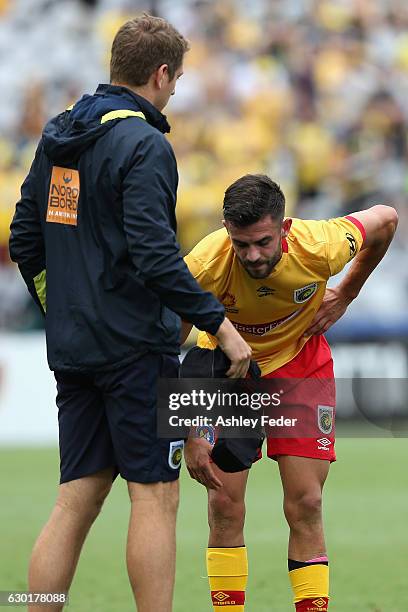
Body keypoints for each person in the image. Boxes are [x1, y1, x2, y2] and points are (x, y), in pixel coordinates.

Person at [9, 14, 251, 612]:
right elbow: (154, 255)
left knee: (76, 497)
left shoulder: (61, 135)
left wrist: (61, 306)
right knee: (155, 495)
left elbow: (24, 239)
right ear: (161, 74)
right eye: (177, 80)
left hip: (73, 347)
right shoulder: (144, 143)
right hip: (134, 349)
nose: (174, 91)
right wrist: (219, 325)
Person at [182, 174, 398, 612]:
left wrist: (347, 293)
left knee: (306, 502)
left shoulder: (320, 245)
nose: (252, 255)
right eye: (241, 244)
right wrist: (191, 424)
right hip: (228, 372)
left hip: (301, 365)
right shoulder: (204, 264)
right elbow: (168, 343)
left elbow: (386, 220)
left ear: (284, 228)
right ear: (226, 230)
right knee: (223, 502)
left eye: (262, 241)